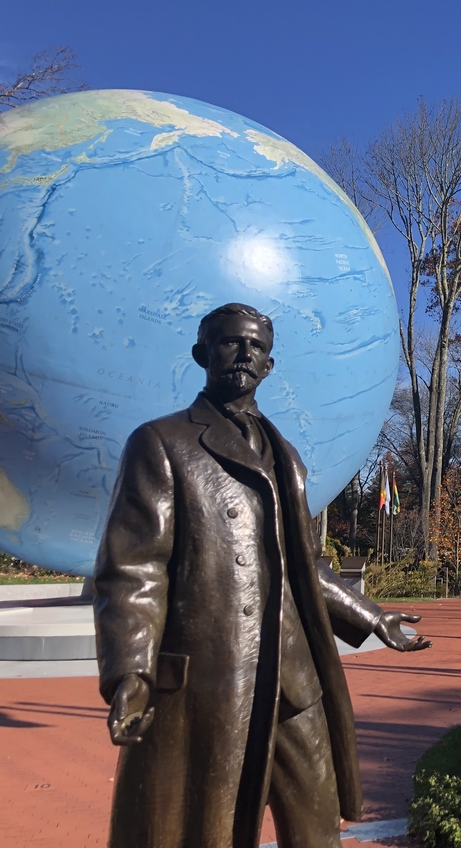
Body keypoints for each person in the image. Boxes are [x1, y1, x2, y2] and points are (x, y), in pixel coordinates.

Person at [93, 303, 430, 848]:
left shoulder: (286, 456)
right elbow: (135, 568)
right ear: (203, 353)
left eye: (257, 347)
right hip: (214, 679)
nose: (245, 354)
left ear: (270, 366)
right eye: (230, 342)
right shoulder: (162, 444)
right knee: (208, 829)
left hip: (295, 682)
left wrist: (373, 617)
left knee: (318, 829)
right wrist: (132, 671)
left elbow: (306, 567)